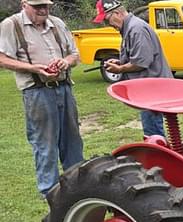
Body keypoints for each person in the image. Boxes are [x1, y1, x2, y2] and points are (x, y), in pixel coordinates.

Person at [0, 0, 84, 199]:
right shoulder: (11, 25)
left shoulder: (57, 23)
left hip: (64, 88)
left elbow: (74, 55)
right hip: (37, 92)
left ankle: (78, 187)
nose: (43, 10)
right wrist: (34, 68)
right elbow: (2, 58)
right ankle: (51, 194)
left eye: (45, 5)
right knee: (45, 143)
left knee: (72, 141)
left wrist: (65, 62)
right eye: (37, 6)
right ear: (24, 5)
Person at [93, 0, 172, 137]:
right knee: (152, 128)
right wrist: (120, 61)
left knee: (153, 133)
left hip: (152, 88)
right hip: (147, 88)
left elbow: (142, 63)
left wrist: (120, 69)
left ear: (117, 13)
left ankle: (161, 156)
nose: (108, 25)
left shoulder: (136, 29)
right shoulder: (130, 27)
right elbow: (138, 56)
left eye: (107, 20)